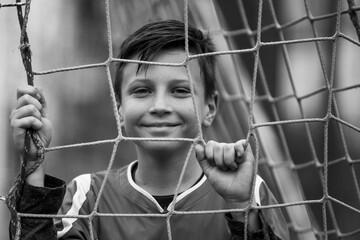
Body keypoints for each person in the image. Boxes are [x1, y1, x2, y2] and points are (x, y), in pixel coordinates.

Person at [9, 19, 289, 239]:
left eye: (180, 91)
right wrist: (33, 167)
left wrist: (241, 209)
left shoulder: (247, 191)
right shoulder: (88, 195)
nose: (159, 105)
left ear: (210, 107)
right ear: (119, 107)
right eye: (142, 91)